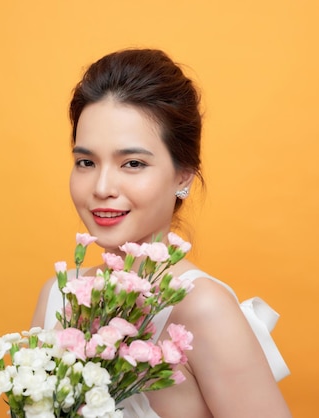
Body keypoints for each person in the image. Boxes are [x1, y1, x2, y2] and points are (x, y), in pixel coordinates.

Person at [31, 49, 292, 418]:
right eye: (86, 162)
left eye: (133, 163)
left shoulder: (204, 309)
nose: (102, 186)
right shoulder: (57, 296)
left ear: (183, 174)